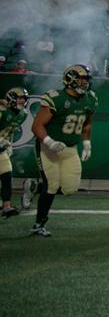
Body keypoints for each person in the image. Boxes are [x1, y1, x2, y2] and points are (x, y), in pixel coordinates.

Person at [30, 64, 97, 237]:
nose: (85, 83)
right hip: (48, 147)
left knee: (70, 188)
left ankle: (35, 187)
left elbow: (87, 123)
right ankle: (39, 223)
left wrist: (87, 143)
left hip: (70, 148)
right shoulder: (56, 98)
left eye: (86, 79)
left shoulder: (90, 98)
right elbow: (37, 126)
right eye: (81, 79)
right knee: (51, 186)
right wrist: (50, 142)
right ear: (70, 79)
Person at [0, 86, 26, 218]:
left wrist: (6, 142)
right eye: (20, 98)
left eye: (24, 99)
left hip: (1, 150)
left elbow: (9, 130)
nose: (22, 101)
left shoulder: (23, 114)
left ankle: (6, 206)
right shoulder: (2, 110)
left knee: (6, 176)